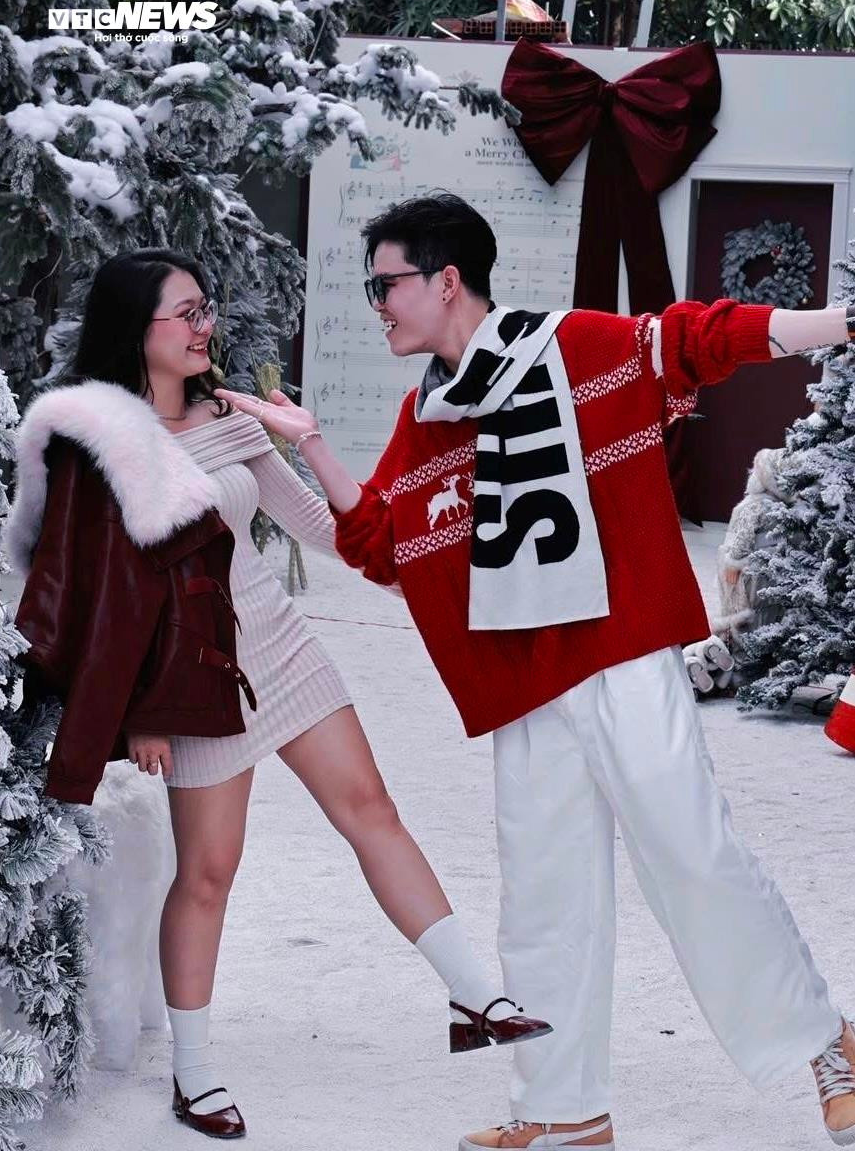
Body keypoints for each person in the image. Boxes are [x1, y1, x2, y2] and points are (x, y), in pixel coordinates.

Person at [218, 192, 855, 1150]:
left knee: (689, 852)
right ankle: (564, 1110)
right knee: (544, 894)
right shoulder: (428, 412)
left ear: (445, 280)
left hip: (617, 648)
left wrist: (840, 322)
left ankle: (823, 1041)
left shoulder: (573, 345)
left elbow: (698, 338)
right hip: (523, 679)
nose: (375, 305)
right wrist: (307, 442)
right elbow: (383, 545)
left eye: (385, 284)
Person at [6, 248, 552, 1142]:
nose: (204, 326)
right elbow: (104, 598)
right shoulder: (101, 443)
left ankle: (475, 995)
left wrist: (323, 454)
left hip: (281, 646)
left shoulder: (230, 420)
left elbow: (326, 531)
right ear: (135, 327)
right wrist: (143, 714)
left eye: (205, 308)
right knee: (209, 872)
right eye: (185, 313)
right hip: (193, 679)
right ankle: (194, 1074)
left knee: (371, 809)